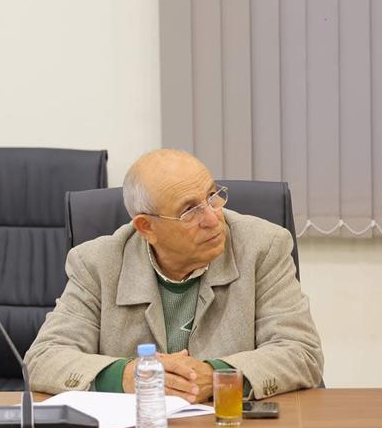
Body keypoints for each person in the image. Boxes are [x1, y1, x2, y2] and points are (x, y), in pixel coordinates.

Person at [25, 149, 323, 401]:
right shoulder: (97, 263)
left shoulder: (263, 246)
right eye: (190, 211)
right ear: (146, 227)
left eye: (212, 196)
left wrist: (217, 375)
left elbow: (302, 352)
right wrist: (125, 376)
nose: (213, 218)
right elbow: (44, 358)